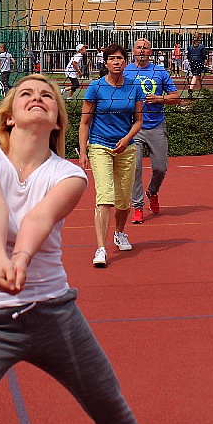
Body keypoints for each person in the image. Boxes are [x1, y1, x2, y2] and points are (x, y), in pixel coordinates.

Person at [0, 74, 138, 424]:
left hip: (51, 311)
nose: (37, 97)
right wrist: (0, 257)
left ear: (58, 119)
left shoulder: (68, 175)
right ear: (9, 116)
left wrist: (21, 258)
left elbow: (38, 218)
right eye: (25, 93)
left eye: (48, 95)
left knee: (111, 407)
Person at [79, 44, 144, 268]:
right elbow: (84, 122)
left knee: (123, 200)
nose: (117, 62)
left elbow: (138, 121)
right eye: (112, 59)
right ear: (105, 62)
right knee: (105, 196)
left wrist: (126, 140)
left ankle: (119, 233)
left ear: (126, 62)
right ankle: (100, 248)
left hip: (126, 148)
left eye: (121, 59)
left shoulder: (134, 87)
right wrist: (83, 152)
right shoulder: (95, 88)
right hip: (99, 146)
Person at [124, 38, 180, 225]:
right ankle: (138, 206)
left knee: (160, 167)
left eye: (145, 48)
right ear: (133, 51)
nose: (141, 50)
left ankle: (153, 192)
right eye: (138, 47)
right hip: (134, 127)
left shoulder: (160, 71)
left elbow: (176, 98)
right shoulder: (125, 71)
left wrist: (159, 99)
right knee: (135, 168)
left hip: (156, 125)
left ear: (150, 52)